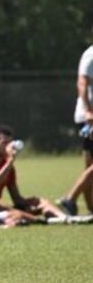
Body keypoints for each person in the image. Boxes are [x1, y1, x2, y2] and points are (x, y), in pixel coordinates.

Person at [0, 124, 66, 221]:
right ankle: (32, 218)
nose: (9, 147)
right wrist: (10, 161)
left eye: (10, 143)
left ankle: (64, 218)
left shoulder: (8, 166)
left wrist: (34, 204)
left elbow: (17, 199)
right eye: (5, 143)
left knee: (38, 201)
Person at [61, 34, 93, 215]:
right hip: (88, 116)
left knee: (89, 165)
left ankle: (90, 207)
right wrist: (89, 111)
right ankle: (70, 198)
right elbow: (82, 83)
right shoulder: (91, 55)